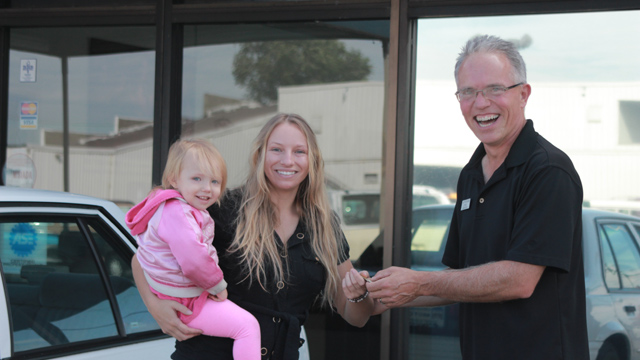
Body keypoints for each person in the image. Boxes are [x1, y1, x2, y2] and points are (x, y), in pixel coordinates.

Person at [367, 35, 589, 359]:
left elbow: (519, 280)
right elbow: (457, 281)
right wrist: (383, 291)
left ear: (523, 94)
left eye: (495, 89)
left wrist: (419, 283)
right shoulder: (471, 175)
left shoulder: (549, 170)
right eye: (468, 92)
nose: (481, 102)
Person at [131, 113, 374, 360]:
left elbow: (355, 315)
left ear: (313, 160)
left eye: (299, 151)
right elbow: (143, 258)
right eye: (277, 149)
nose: (288, 160)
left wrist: (360, 295)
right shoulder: (223, 208)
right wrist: (156, 306)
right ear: (260, 155)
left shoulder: (325, 226)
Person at [126, 138, 261, 360]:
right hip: (184, 301)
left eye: (215, 181)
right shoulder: (177, 213)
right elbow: (194, 260)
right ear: (174, 179)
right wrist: (218, 287)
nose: (207, 188)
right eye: (197, 178)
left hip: (175, 294)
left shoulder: (178, 208)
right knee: (247, 327)